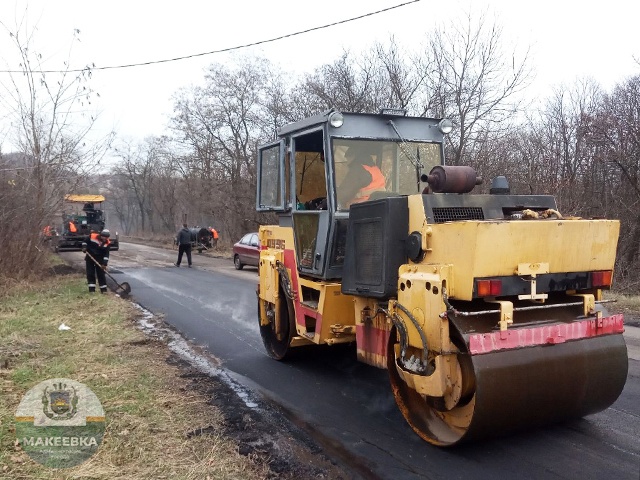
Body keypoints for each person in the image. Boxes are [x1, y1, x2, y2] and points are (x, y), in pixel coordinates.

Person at [82, 229, 111, 293]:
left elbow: (106, 254)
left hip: (100, 259)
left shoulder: (107, 243)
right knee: (90, 273)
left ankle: (103, 290)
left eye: (106, 237)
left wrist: (104, 264)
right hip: (90, 257)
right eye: (104, 236)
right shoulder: (92, 236)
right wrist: (84, 247)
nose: (105, 238)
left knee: (101, 274)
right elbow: (84, 242)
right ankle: (92, 290)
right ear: (101, 235)